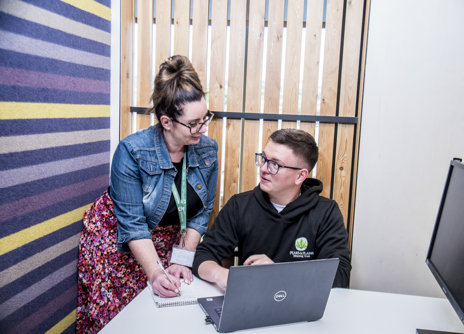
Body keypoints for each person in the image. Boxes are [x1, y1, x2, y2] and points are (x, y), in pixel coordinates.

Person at [76, 55, 218, 333]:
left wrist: (181, 259)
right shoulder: (131, 151)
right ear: (166, 122)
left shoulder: (207, 149)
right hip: (119, 238)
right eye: (193, 123)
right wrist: (154, 272)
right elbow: (132, 224)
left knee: (163, 315)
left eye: (206, 118)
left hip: (166, 237)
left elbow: (201, 213)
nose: (203, 128)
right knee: (122, 319)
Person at [192, 129, 351, 288]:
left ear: (300, 176)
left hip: (301, 305)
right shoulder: (240, 205)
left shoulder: (326, 212)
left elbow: (340, 275)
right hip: (252, 299)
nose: (263, 169)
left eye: (275, 164)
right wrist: (222, 275)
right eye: (263, 159)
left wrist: (277, 274)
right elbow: (203, 255)